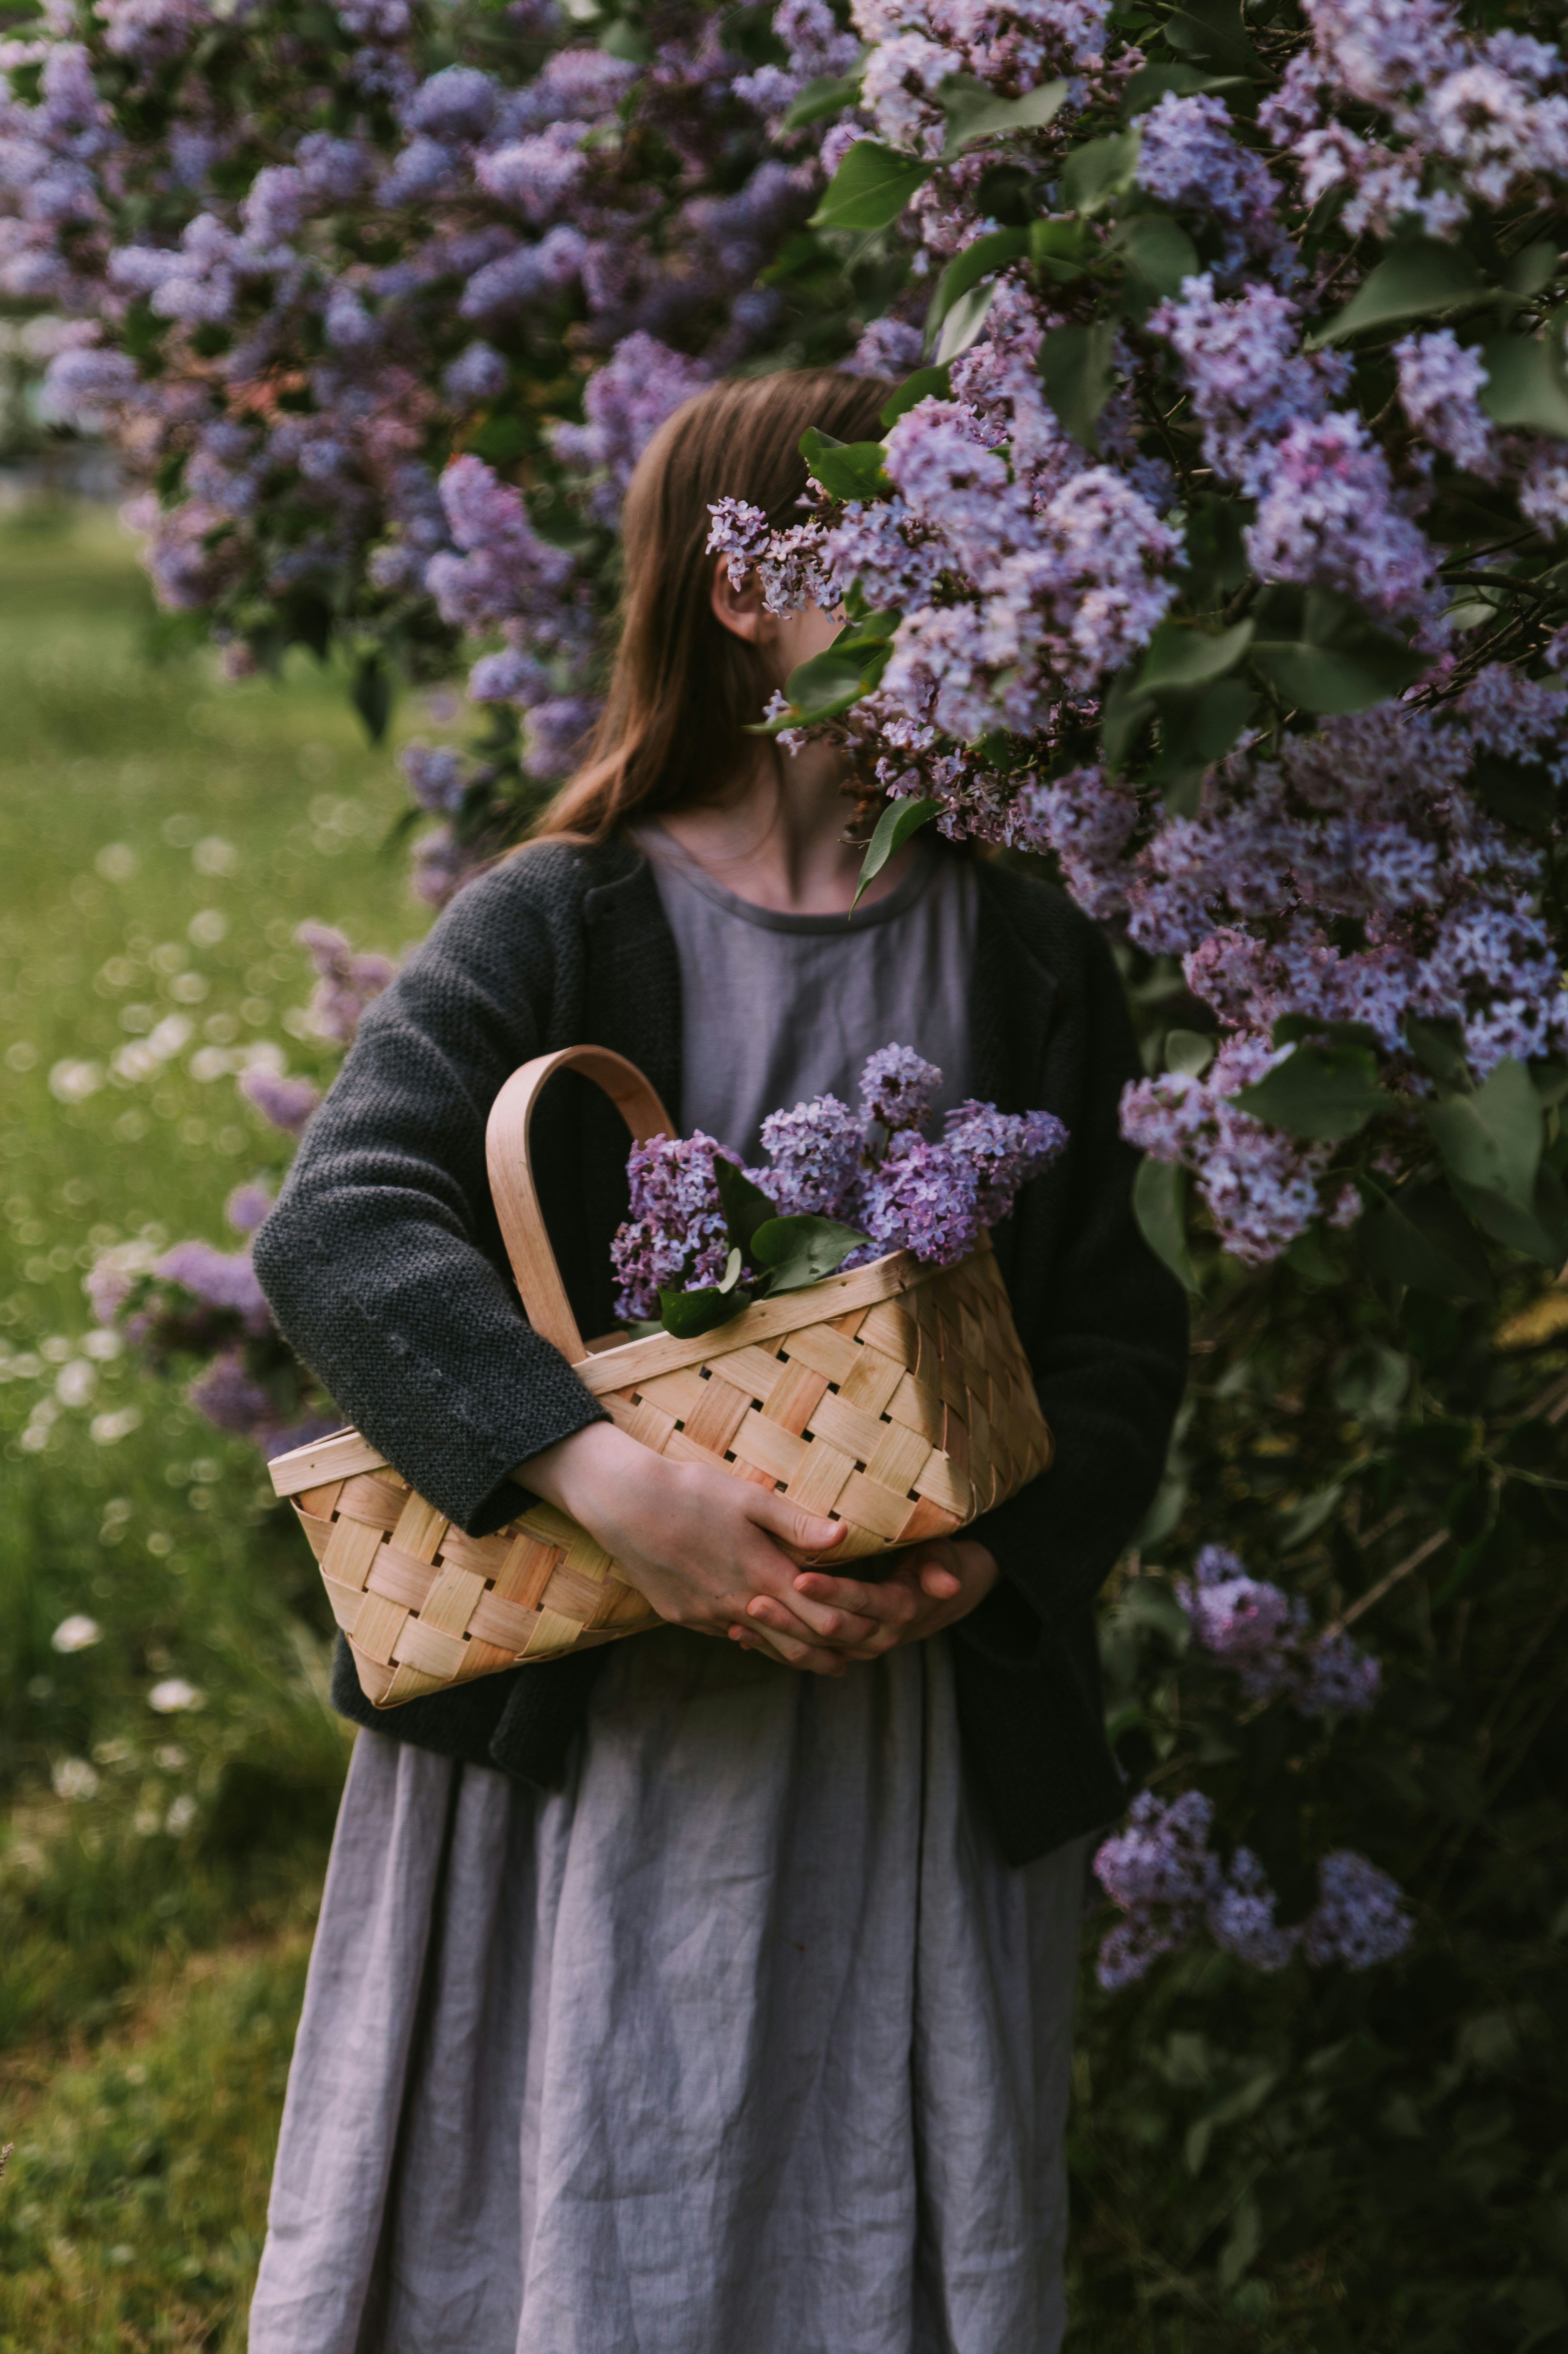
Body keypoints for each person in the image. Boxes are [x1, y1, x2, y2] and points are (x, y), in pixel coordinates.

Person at [247, 368, 1188, 2354]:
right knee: (589, 2208)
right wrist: (601, 1478)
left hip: (900, 1747)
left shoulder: (1026, 951)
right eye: (896, 531)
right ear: (743, 591)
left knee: (867, 2235)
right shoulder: (558, 919)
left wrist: (984, 1564)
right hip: (593, 1746)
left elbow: (1116, 1335)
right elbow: (340, 1226)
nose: (958, 576)